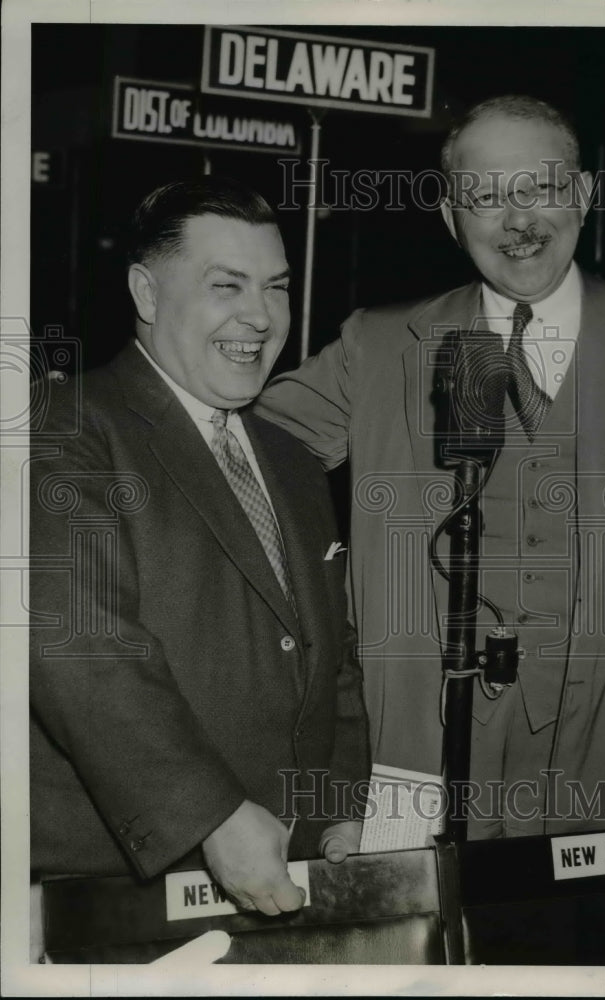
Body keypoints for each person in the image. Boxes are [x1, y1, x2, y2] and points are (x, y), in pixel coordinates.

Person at [257, 96, 605, 838]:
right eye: (486, 196)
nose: (517, 217)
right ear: (449, 217)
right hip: (418, 747)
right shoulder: (379, 345)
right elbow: (232, 453)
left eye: (541, 187)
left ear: (584, 196)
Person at [30, 177, 370, 928]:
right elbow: (82, 650)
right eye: (228, 286)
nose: (260, 316)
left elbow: (332, 654)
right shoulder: (63, 429)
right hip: (116, 896)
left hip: (285, 876)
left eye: (277, 287)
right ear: (146, 294)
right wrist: (211, 816)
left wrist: (341, 806)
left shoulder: (292, 457)